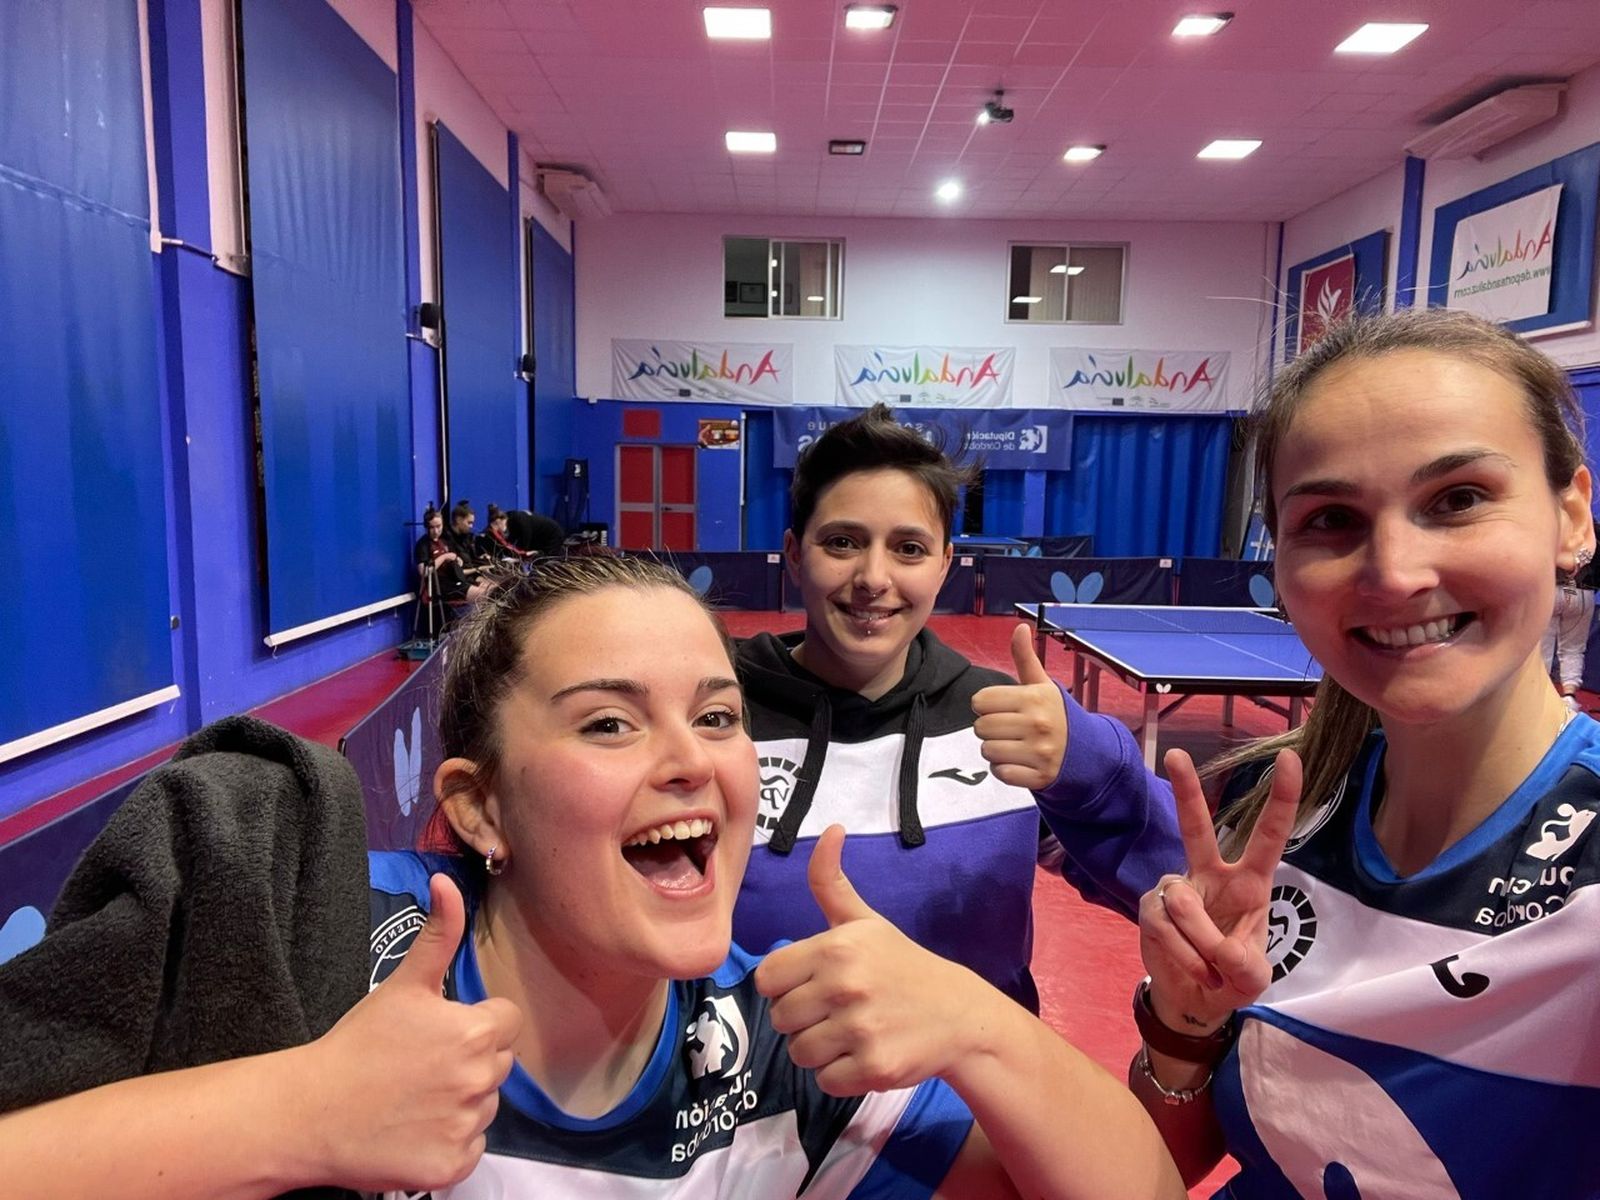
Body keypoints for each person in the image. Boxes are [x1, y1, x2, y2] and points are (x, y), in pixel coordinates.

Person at [0, 555, 1187, 1200]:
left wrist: (985, 1029)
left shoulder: (772, 1043)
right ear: (478, 807)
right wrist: (296, 1116)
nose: (689, 762)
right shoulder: (329, 936)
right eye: (610, 725)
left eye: (717, 717)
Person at [1127, 309, 1600, 1197]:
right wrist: (1186, 1022)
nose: (1394, 571)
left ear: (1572, 516)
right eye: (1332, 518)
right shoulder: (1281, 809)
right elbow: (1175, 1161)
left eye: (1457, 499)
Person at [734, 404, 1183, 1011]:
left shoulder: (1007, 723)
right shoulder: (716, 718)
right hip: (758, 1101)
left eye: (909, 549)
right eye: (842, 542)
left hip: (973, 1100)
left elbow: (1177, 892)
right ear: (793, 553)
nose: (873, 577)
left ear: (946, 563)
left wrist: (1090, 763)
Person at [1539, 521, 1598, 711]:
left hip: (1552, 590)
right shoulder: (1592, 530)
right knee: (1573, 649)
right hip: (1581, 592)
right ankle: (1569, 697)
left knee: (1542, 647)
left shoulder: (1549, 522)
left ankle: (1540, 695)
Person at [414, 506, 492, 606]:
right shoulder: (423, 545)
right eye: (432, 527)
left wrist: (457, 560)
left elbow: (455, 559)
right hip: (440, 586)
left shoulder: (444, 541)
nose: (436, 531)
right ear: (426, 527)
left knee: (492, 588)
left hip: (455, 579)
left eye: (438, 526)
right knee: (485, 595)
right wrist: (444, 557)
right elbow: (423, 572)